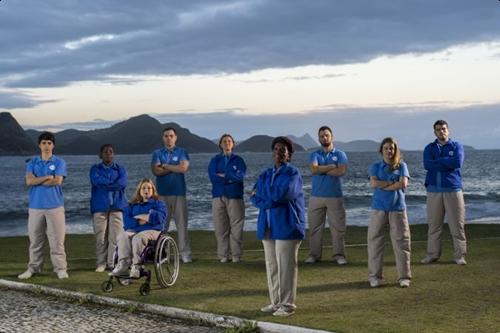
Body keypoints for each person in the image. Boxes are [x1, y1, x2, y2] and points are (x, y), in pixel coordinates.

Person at [251, 136, 305, 317]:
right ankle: (275, 302)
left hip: (287, 225)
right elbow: (253, 196)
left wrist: (265, 196)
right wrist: (268, 198)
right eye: (276, 149)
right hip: (268, 225)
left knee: (286, 266)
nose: (279, 152)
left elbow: (283, 194)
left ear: (289, 154)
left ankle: (287, 305)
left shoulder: (293, 174)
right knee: (272, 266)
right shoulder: (266, 174)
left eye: (283, 150)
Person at [18, 132, 69, 279]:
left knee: (57, 241)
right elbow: (29, 182)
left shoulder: (60, 162)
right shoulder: (32, 162)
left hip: (55, 206)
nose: (46, 146)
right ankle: (33, 268)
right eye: (44, 143)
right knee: (35, 240)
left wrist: (37, 179)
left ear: (53, 145)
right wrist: (47, 177)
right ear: (39, 145)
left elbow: (57, 181)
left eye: (49, 143)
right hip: (35, 206)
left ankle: (60, 269)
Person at [421, 120, 467, 265]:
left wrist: (439, 161)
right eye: (439, 129)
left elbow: (457, 162)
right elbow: (428, 165)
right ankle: (432, 255)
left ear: (448, 130)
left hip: (453, 190)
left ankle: (459, 256)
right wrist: (447, 162)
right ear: (434, 132)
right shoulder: (429, 148)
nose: (442, 131)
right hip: (433, 190)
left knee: (457, 226)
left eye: (444, 129)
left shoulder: (457, 146)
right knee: (434, 227)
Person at [367, 137, 411, 288]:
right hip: (378, 208)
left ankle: (404, 277)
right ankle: (375, 277)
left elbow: (403, 183)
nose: (389, 151)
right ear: (381, 150)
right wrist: (393, 183)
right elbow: (373, 183)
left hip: (397, 208)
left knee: (401, 243)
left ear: (395, 150)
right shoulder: (375, 166)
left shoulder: (402, 166)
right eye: (386, 148)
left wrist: (383, 185)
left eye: (391, 148)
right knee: (375, 242)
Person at [305, 125, 348, 265]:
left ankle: (339, 255)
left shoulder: (340, 154)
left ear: (332, 137)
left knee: (338, 228)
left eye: (327, 135)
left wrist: (320, 169)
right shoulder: (314, 154)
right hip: (316, 196)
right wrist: (330, 167)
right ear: (319, 138)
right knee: (315, 228)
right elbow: (313, 169)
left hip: (335, 196)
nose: (324, 138)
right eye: (322, 136)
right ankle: (314, 255)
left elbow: (341, 171)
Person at [111, 178, 167, 278]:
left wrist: (141, 217)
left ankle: (136, 266)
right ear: (139, 191)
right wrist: (146, 217)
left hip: (153, 230)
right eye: (144, 188)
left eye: (149, 188)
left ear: (153, 190)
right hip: (133, 230)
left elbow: (160, 218)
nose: (146, 190)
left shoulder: (158, 204)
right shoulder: (131, 205)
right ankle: (124, 264)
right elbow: (127, 223)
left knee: (138, 237)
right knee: (122, 236)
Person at [151, 127, 192, 263]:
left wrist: (165, 166)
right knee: (162, 226)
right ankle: (163, 254)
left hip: (179, 193)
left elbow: (183, 168)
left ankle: (185, 255)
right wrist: (174, 167)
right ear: (163, 138)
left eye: (171, 136)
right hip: (161, 194)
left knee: (182, 225)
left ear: (176, 137)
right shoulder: (157, 153)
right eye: (166, 136)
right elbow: (156, 171)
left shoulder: (182, 152)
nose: (169, 138)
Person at [208, 134, 246, 263]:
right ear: (220, 144)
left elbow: (240, 176)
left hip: (235, 196)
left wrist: (223, 175)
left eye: (229, 141)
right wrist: (230, 177)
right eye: (224, 141)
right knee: (220, 227)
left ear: (233, 144)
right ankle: (223, 255)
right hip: (218, 196)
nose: (227, 143)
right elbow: (213, 177)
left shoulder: (239, 160)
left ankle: (236, 255)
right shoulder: (214, 160)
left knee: (236, 227)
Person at [89, 144, 128, 272]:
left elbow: (122, 183)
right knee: (101, 237)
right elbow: (96, 182)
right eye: (105, 152)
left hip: (117, 207)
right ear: (100, 155)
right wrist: (113, 184)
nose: (108, 154)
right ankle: (101, 263)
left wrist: (107, 184)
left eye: (111, 152)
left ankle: (111, 263)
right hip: (99, 207)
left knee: (115, 237)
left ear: (114, 154)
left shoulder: (120, 169)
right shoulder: (94, 169)